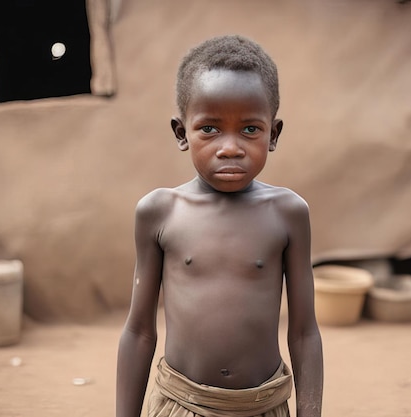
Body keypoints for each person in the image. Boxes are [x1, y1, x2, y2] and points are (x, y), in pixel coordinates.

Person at [116, 34, 323, 417]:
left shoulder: (288, 213)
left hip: (263, 406)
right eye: (210, 129)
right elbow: (139, 331)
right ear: (182, 133)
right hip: (180, 404)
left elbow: (305, 332)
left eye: (249, 129)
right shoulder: (159, 212)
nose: (230, 147)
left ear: (273, 134)